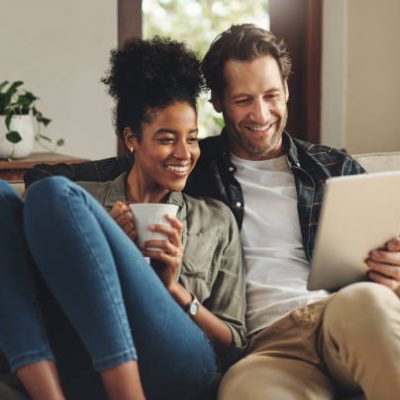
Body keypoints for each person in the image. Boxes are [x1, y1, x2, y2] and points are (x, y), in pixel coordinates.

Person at [0, 37, 246, 400]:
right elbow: (39, 292)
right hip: (85, 354)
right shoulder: (81, 206)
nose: (184, 153)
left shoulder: (216, 219)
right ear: (132, 138)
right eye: (167, 139)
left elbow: (235, 342)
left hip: (180, 359)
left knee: (53, 192)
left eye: (192, 139)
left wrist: (174, 290)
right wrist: (101, 247)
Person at [184, 24, 400, 399]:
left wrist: (395, 275)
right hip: (265, 348)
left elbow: (388, 256)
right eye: (243, 100)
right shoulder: (192, 171)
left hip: (341, 316)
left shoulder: (334, 167)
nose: (261, 113)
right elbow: (111, 172)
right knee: (241, 392)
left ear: (286, 89)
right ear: (218, 101)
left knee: (371, 302)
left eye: (271, 95)